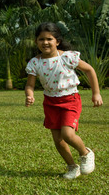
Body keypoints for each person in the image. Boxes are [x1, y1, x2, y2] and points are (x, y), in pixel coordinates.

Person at [25, 22, 103, 179]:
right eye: (41, 39)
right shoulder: (35, 62)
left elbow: (89, 70)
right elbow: (30, 84)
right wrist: (29, 94)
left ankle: (86, 153)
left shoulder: (67, 57)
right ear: (36, 42)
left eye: (49, 39)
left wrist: (96, 93)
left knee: (67, 134)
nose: (45, 42)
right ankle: (72, 167)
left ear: (57, 41)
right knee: (58, 140)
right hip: (50, 103)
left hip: (70, 100)